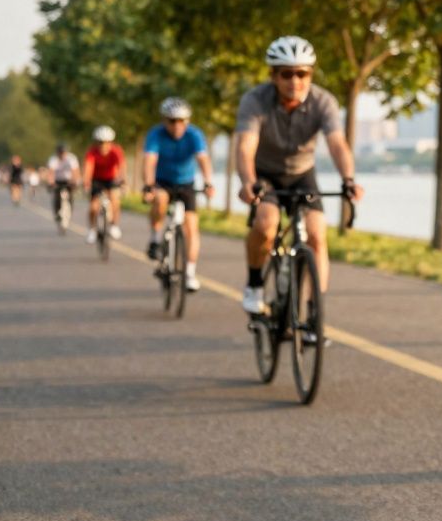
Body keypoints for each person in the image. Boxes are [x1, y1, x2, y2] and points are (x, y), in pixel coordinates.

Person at [234, 35, 363, 315]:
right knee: (267, 223)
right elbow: (245, 146)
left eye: (302, 73)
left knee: (317, 234)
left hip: (302, 173)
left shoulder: (323, 102)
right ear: (273, 75)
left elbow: (337, 144)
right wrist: (247, 181)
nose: (295, 81)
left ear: (310, 74)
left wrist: (348, 179)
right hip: (264, 172)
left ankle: (314, 309)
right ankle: (255, 283)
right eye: (287, 74)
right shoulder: (255, 101)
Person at [142, 98, 215, 291]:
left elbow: (203, 159)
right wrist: (148, 185)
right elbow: (149, 160)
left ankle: (190, 273)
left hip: (186, 183)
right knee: (160, 199)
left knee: (191, 227)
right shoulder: (156, 134)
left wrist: (208, 182)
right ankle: (156, 239)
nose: (177, 125)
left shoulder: (194, 135)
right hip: (162, 181)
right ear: (164, 120)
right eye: (172, 121)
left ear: (187, 121)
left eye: (181, 121)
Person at [83, 125, 126, 243]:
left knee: (115, 200)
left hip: (111, 179)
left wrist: (122, 180)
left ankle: (114, 225)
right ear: (96, 142)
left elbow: (122, 166)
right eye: (101, 142)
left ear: (111, 142)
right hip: (96, 180)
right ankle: (92, 230)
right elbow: (88, 168)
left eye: (106, 142)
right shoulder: (92, 152)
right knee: (93, 207)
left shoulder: (116, 150)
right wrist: (86, 183)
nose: (103, 145)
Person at [46, 143, 81, 227]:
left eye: (64, 152)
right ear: (57, 152)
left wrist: (75, 181)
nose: (62, 154)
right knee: (57, 197)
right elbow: (51, 172)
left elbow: (75, 171)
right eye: (60, 152)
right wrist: (51, 182)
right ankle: (57, 213)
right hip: (57, 180)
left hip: (68, 180)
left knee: (70, 196)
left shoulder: (71, 158)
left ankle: (69, 211)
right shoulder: (53, 159)